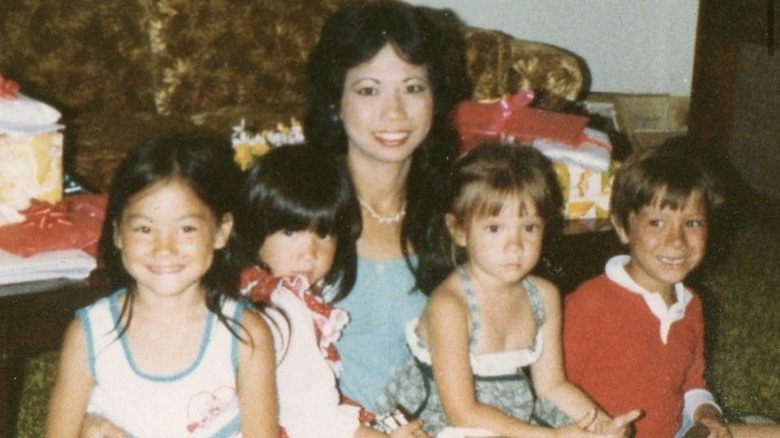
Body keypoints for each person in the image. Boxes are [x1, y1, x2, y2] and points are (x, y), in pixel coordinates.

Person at [379, 143, 641, 437]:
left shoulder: (543, 296)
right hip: (446, 423)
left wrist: (600, 423)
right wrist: (551, 436)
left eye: (529, 227)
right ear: (459, 231)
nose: (515, 245)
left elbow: (552, 385)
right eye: (494, 228)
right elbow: (462, 412)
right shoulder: (450, 306)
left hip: (512, 421)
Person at [44, 134, 278, 438]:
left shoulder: (246, 334)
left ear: (221, 231)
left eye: (186, 229)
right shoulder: (90, 333)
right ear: (117, 233)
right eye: (144, 229)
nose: (164, 248)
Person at [304, 0, 469, 413]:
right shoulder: (299, 208)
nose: (394, 112)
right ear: (334, 102)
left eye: (412, 88)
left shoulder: (459, 211)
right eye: (368, 90)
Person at [235, 144, 426, 437]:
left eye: (323, 234)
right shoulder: (285, 307)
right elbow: (315, 421)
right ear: (255, 228)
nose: (309, 253)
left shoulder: (255, 287)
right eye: (290, 232)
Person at [562, 140, 730, 438]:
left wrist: (707, 415)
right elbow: (553, 391)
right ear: (623, 226)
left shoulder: (691, 305)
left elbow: (692, 383)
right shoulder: (591, 303)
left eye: (692, 223)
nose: (677, 240)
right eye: (657, 222)